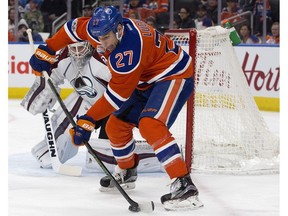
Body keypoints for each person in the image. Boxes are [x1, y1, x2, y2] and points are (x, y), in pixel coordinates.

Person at [28, 6, 203, 210]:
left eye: (106, 38)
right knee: (115, 126)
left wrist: (88, 120)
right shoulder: (99, 29)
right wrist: (47, 49)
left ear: (119, 29)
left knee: (150, 125)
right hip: (144, 79)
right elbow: (70, 29)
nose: (102, 44)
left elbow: (116, 97)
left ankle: (185, 186)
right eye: (98, 38)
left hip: (173, 75)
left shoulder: (129, 48)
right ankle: (127, 171)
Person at [22, 41, 111, 168]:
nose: (77, 52)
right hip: (87, 101)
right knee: (61, 120)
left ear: (89, 45)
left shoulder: (101, 60)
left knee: (108, 152)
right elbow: (51, 77)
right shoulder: (64, 57)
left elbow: (122, 89)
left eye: (80, 47)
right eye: (73, 48)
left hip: (111, 106)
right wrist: (43, 84)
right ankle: (51, 153)